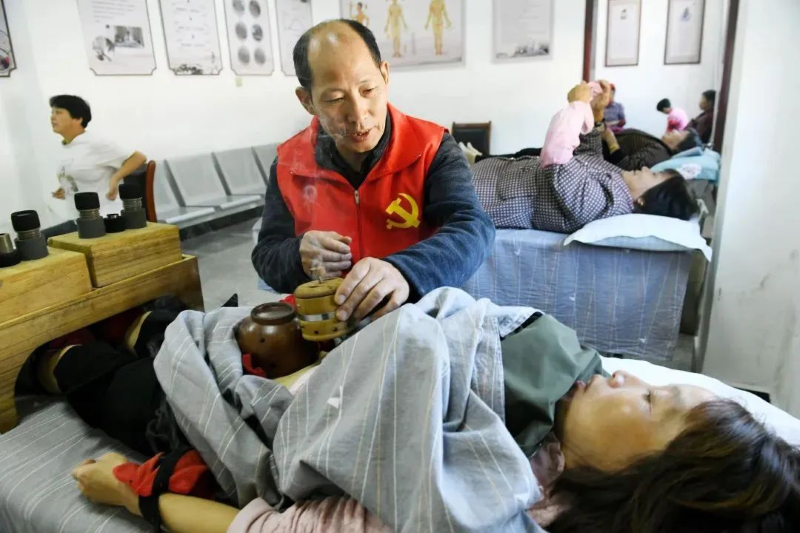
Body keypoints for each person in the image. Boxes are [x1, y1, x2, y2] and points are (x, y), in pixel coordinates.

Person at [66, 309, 800, 532]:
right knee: (210, 325)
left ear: (638, 490)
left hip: (286, 418)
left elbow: (261, 530)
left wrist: (130, 495)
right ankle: (145, 325)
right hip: (334, 360)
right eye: (336, 95)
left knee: (104, 379)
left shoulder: (469, 504)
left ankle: (59, 359)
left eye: (648, 401)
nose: (628, 375)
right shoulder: (570, 412)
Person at [251, 20, 494, 324]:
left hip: (414, 321)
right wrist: (296, 254)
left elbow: (473, 228)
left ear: (385, 75)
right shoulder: (290, 163)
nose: (358, 114)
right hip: (326, 325)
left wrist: (404, 270)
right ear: (307, 101)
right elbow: (266, 255)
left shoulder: (430, 148)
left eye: (368, 89)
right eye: (335, 99)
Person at [472, 81, 698, 234]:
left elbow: (557, 155)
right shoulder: (619, 182)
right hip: (491, 175)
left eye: (655, 175)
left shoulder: (603, 204)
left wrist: (577, 105)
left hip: (483, 193)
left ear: (645, 200)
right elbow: (588, 154)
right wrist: (593, 110)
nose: (648, 169)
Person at [49, 95, 146, 233]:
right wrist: (67, 186)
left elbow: (138, 158)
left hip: (104, 218)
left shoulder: (95, 143)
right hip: (77, 220)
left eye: (58, 112)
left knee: (40, 241)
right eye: (52, 113)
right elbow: (82, 172)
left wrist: (115, 178)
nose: (52, 117)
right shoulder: (66, 147)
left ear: (78, 119)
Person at [601, 125, 703, 171]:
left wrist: (610, 139)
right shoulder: (660, 147)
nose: (675, 130)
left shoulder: (659, 153)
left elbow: (627, 167)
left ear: (680, 146)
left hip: (600, 155)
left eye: (680, 132)